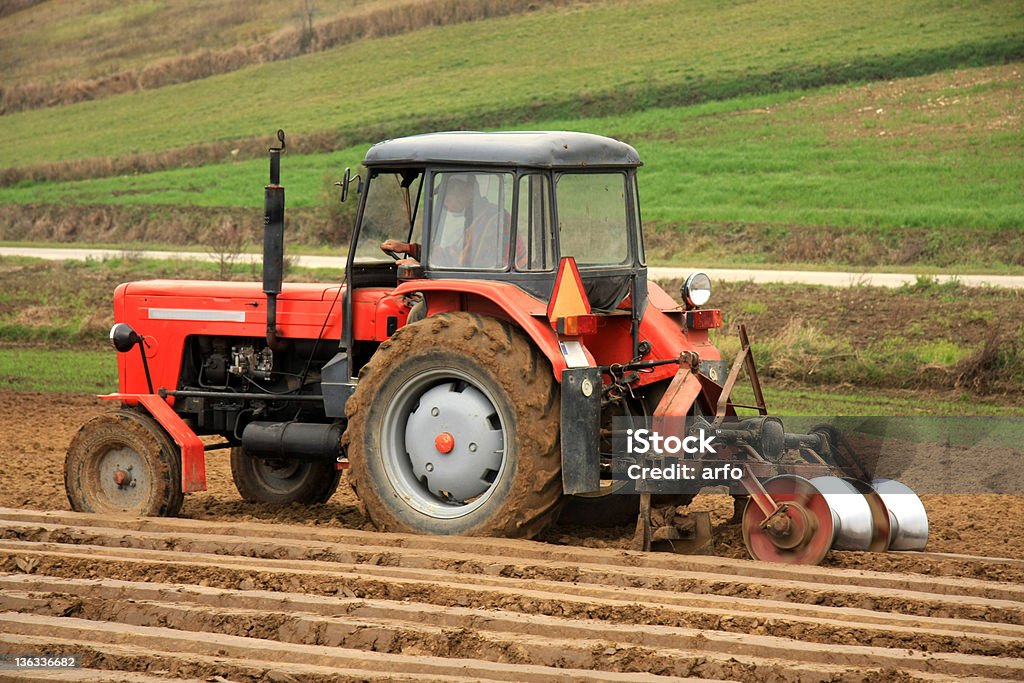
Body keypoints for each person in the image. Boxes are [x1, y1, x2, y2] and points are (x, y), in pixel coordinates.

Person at [381, 173, 519, 269]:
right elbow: (451, 255)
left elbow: (469, 267)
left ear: (469, 191)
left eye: (449, 192)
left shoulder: (492, 221)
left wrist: (420, 267)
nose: (445, 199)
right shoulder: (478, 219)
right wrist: (407, 248)